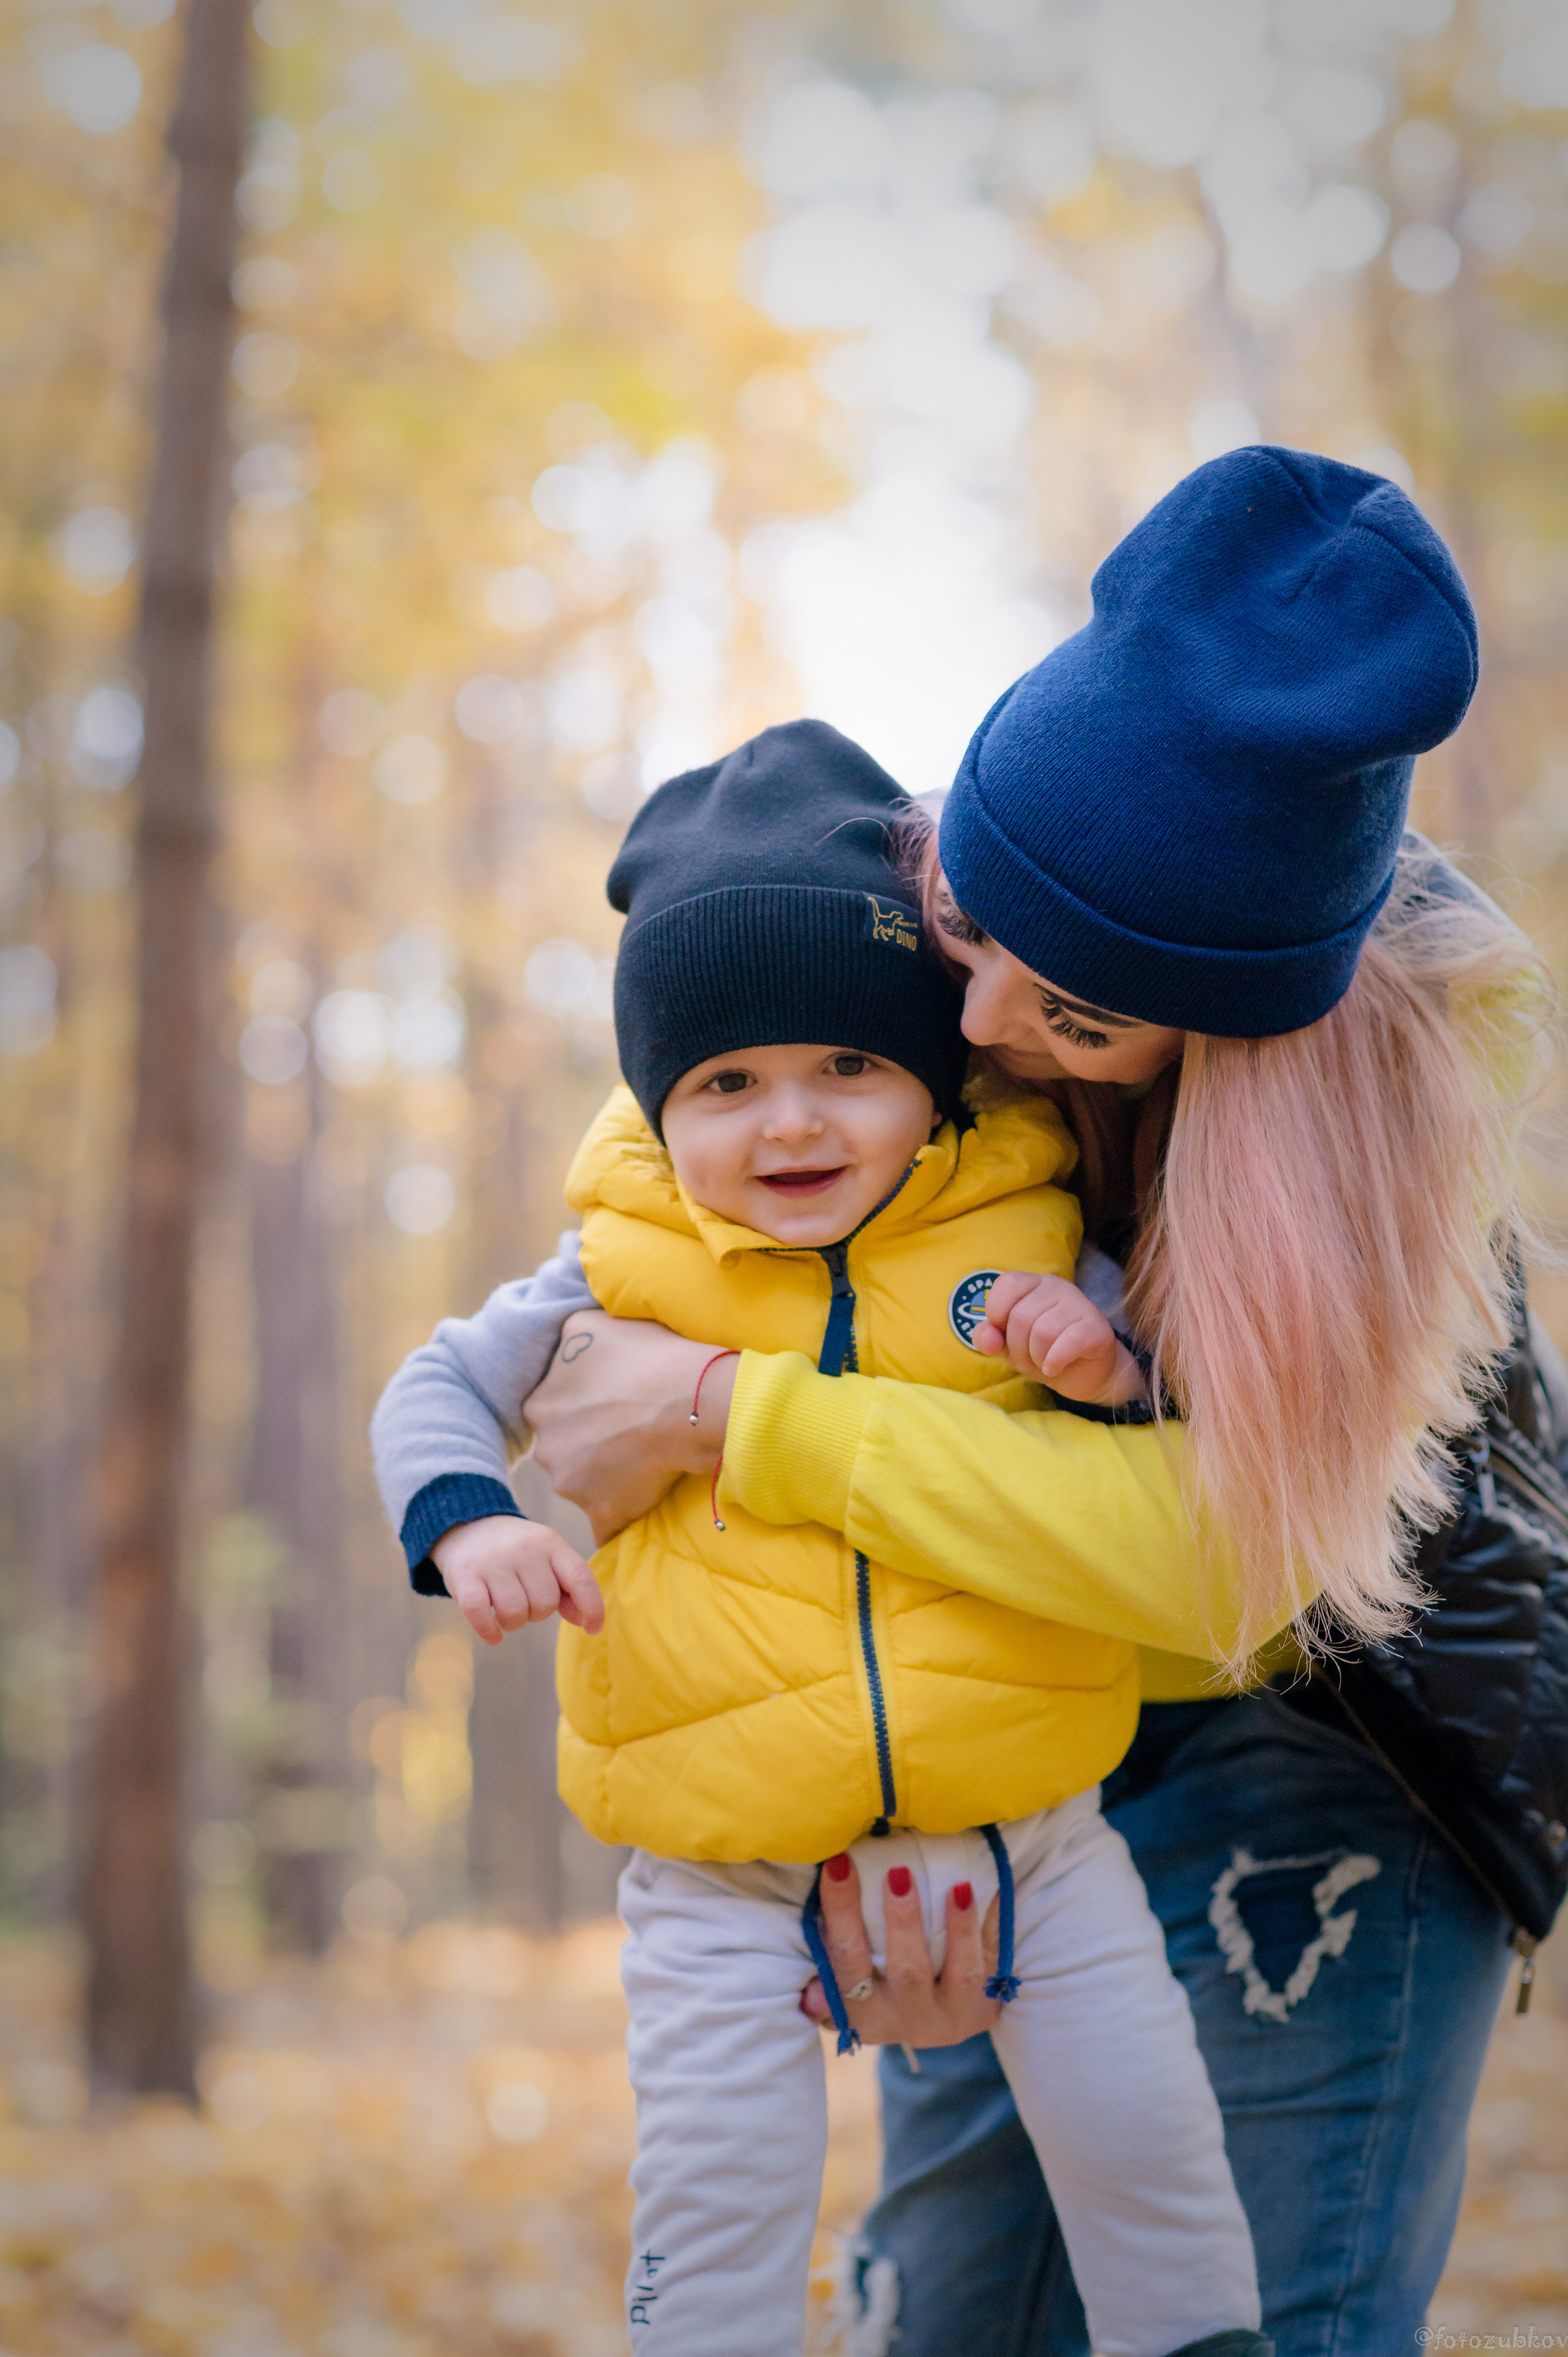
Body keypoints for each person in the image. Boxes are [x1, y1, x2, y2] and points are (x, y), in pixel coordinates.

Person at [386, 449, 1558, 2354]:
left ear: (1235, 1040)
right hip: (992, 1695)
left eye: (1081, 1016)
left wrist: (726, 1410)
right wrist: (860, 1794)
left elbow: (1218, 1582)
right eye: (978, 920)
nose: (991, 1022)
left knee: (1242, 2310)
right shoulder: (913, 899)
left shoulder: (1364, 1149)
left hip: (1343, 1735)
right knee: (947, 2316)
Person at [375, 721, 1273, 2357]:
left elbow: (1171, 1425)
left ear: (930, 1079)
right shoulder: (618, 1262)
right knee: (723, 2188)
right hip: (720, 1870)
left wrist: (1102, 1363)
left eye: (850, 1067)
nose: (791, 1121)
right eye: (726, 1083)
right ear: (660, 1109)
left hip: (1039, 1837)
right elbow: (437, 1387)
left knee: (1150, 2152)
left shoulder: (1028, 1227)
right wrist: (468, 1520)